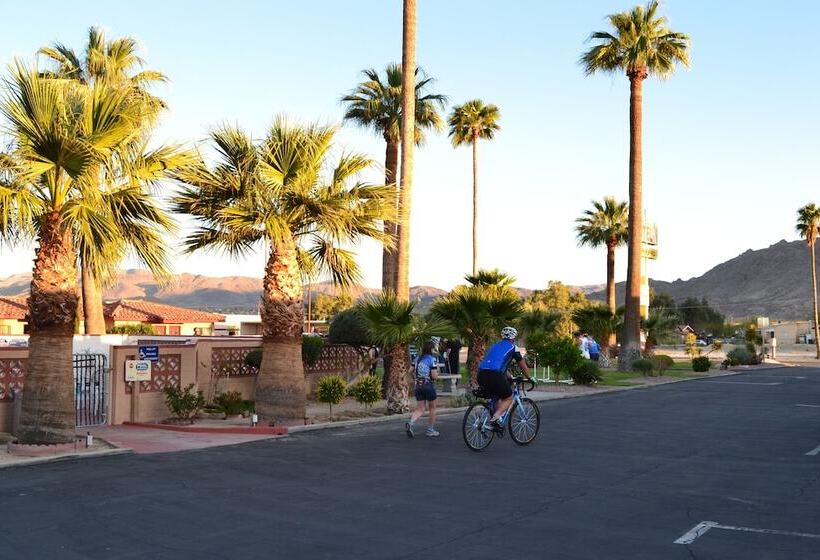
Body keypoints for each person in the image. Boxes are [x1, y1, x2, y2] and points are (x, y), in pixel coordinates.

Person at [477, 326, 532, 433]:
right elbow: (523, 366)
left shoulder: (494, 346)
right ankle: (495, 418)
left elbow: (498, 364)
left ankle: (495, 420)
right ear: (513, 338)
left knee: (496, 396)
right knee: (508, 397)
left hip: (481, 374)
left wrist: (510, 377)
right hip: (494, 376)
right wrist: (529, 378)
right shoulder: (513, 348)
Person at [405, 341, 440, 438]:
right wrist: (437, 376)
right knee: (432, 408)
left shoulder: (417, 359)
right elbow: (434, 375)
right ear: (431, 349)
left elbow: (410, 371)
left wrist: (415, 378)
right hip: (428, 385)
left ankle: (411, 423)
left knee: (420, 408)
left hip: (418, 386)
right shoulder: (431, 359)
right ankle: (430, 430)